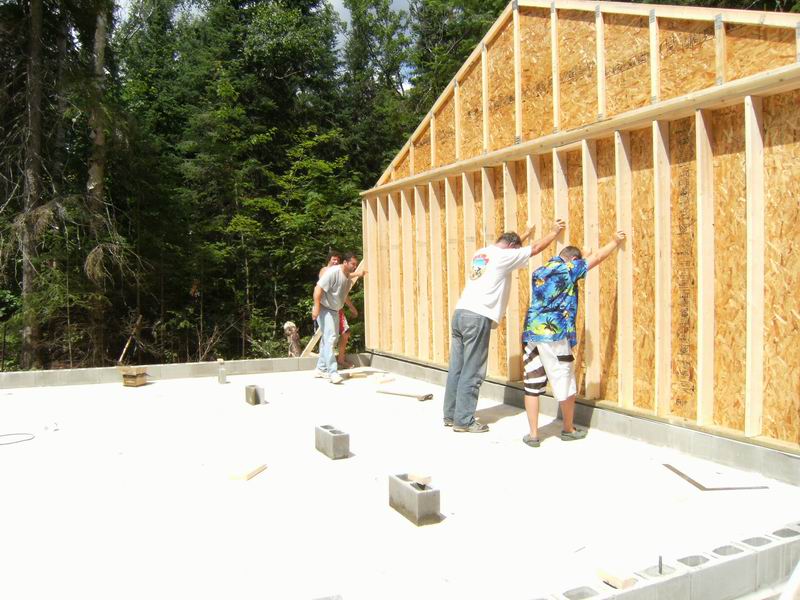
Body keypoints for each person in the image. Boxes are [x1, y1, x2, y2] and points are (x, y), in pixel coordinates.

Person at [443, 220, 566, 433]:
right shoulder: (504, 256)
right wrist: (554, 232)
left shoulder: (483, 253)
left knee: (457, 368)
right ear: (511, 248)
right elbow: (535, 248)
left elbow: (511, 248)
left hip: (461, 313)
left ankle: (451, 415)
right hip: (477, 317)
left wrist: (523, 235)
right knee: (473, 370)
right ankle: (463, 421)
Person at [520, 230, 627, 447]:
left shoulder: (540, 270)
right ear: (574, 260)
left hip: (532, 333)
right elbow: (597, 258)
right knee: (565, 381)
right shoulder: (568, 269)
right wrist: (615, 241)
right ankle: (568, 429)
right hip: (554, 334)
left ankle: (533, 435)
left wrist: (582, 257)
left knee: (532, 383)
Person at [312, 252, 359, 384]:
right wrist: (316, 308)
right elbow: (318, 289)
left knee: (328, 339)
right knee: (331, 338)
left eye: (356, 265)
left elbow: (343, 296)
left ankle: (320, 369)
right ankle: (332, 372)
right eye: (353, 264)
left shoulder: (347, 277)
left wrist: (352, 308)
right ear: (345, 262)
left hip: (334, 310)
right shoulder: (333, 272)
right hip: (324, 308)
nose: (355, 267)